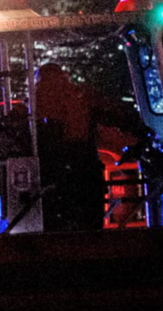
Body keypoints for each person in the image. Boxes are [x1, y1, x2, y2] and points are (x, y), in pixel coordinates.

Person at [34, 63, 139, 232]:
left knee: (54, 227)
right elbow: (110, 117)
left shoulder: (36, 101)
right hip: (85, 169)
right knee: (89, 226)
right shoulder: (80, 96)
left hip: (52, 174)